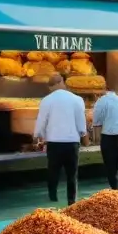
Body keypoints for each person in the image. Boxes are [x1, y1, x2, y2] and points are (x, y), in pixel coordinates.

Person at [34, 75, 88, 205]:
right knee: (72, 174)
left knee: (53, 171)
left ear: (55, 85)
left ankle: (53, 197)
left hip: (54, 142)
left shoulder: (47, 100)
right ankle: (72, 201)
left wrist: (38, 137)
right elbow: (81, 120)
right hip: (72, 142)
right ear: (62, 82)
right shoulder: (77, 99)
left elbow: (41, 121)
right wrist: (83, 134)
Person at [91, 88, 118, 190]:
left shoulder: (101, 101)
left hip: (108, 137)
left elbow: (96, 121)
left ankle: (115, 191)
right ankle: (117, 189)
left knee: (110, 165)